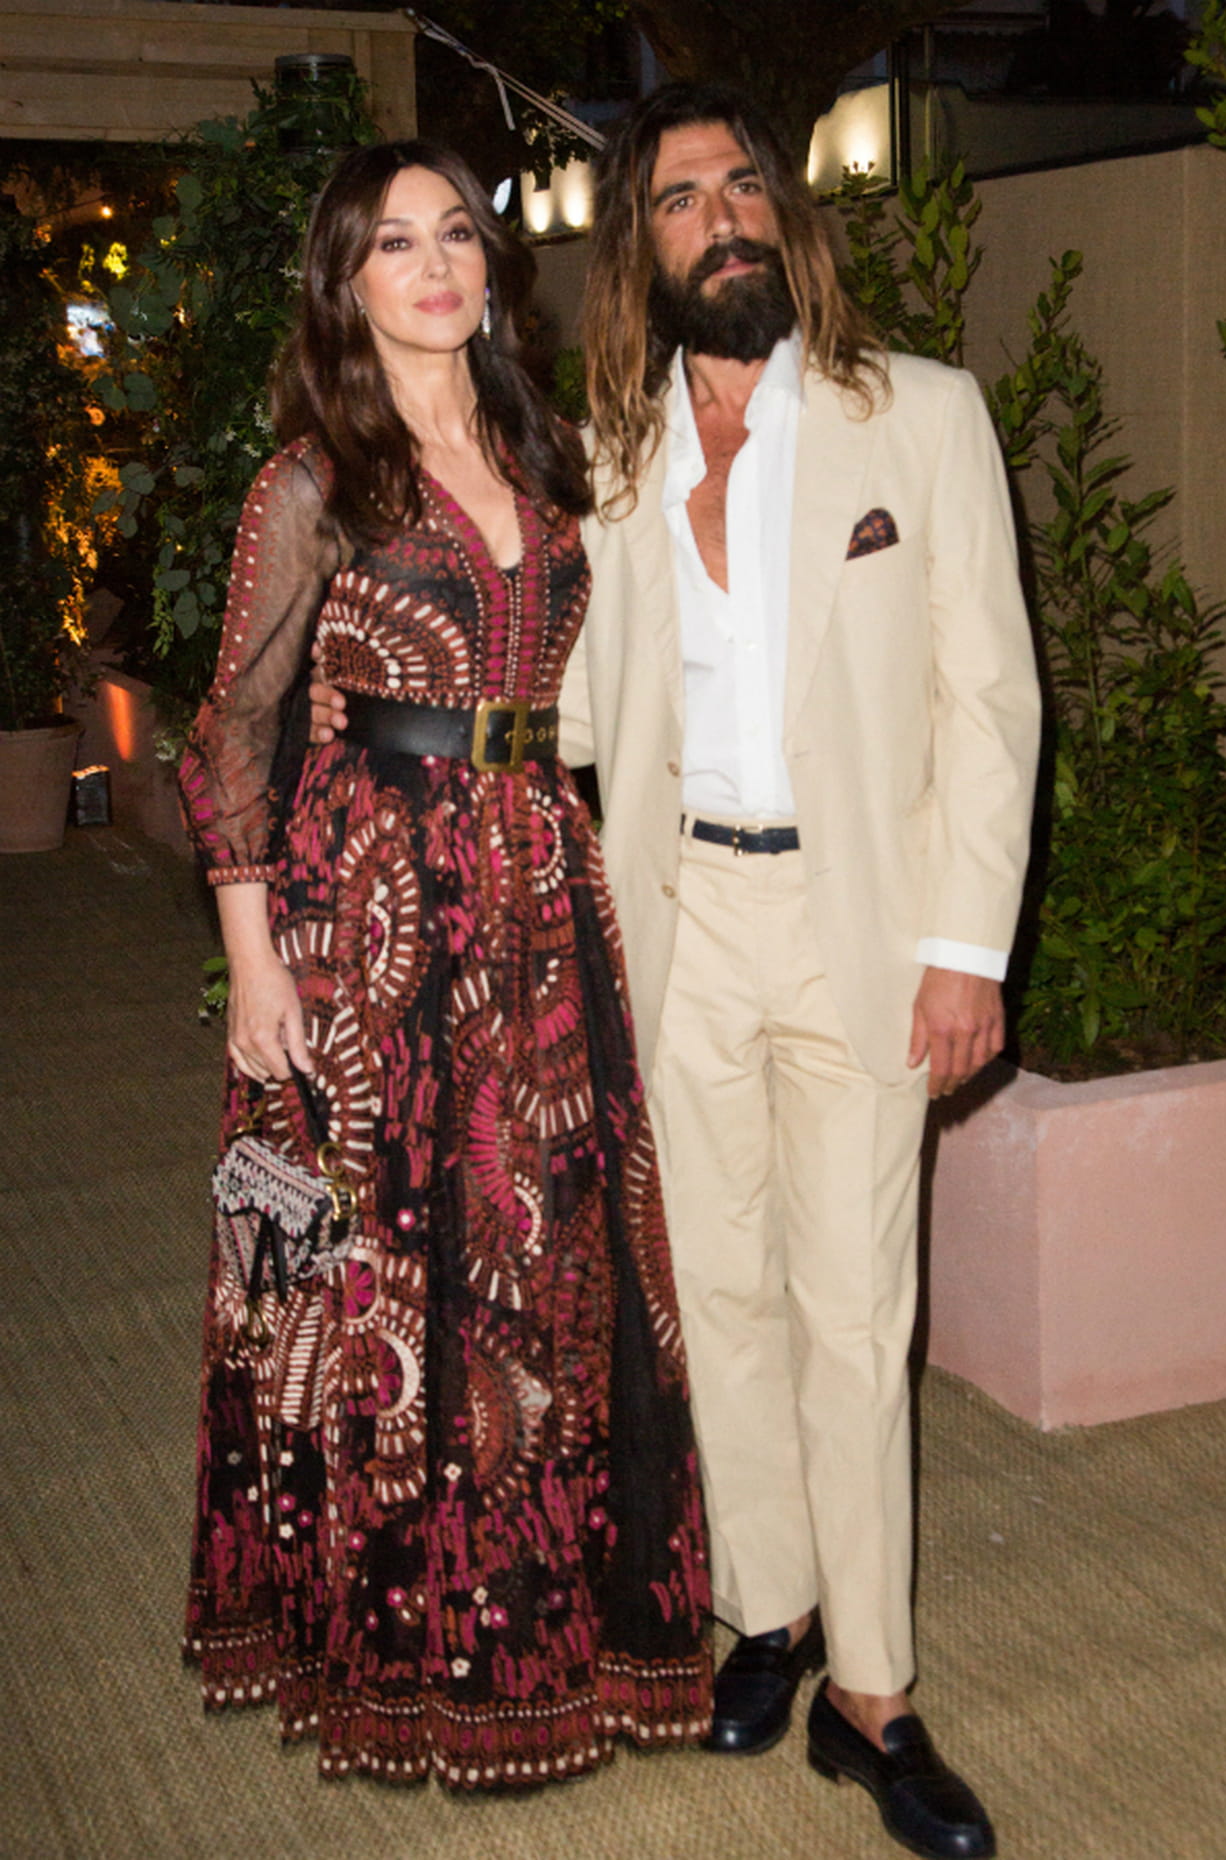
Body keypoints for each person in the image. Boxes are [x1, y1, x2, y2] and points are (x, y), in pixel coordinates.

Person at [312, 87, 1040, 1857]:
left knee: (856, 1309)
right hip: (669, 920)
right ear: (640, 245)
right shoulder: (610, 459)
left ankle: (875, 1696)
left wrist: (965, 948)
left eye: (744, 186)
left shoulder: (921, 415)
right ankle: (768, 1613)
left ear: (785, 214)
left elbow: (992, 700)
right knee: (713, 1290)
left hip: (864, 928)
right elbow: (547, 690)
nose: (724, 218)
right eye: (683, 199)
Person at [178, 138, 712, 1794]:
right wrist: (253, 961)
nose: (435, 267)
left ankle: (554, 1634)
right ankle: (390, 1653)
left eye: (458, 236)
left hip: (541, 891)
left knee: (550, 1267)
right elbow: (229, 734)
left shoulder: (553, 452)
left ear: (494, 267)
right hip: (369, 916)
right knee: (367, 1279)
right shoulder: (311, 482)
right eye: (394, 244)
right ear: (346, 284)